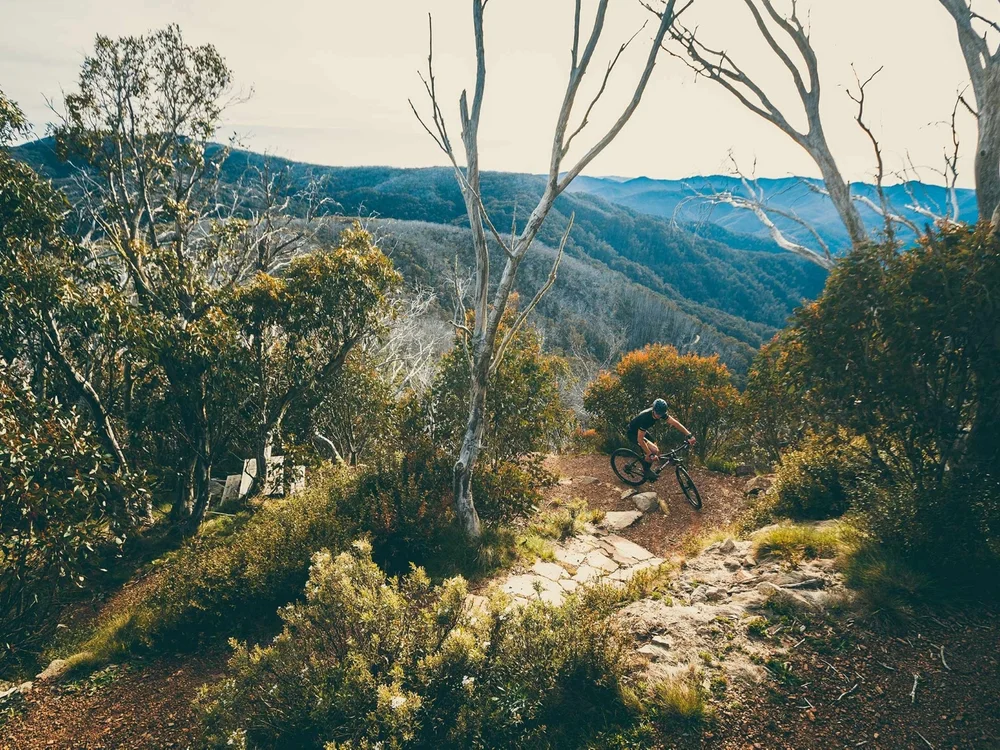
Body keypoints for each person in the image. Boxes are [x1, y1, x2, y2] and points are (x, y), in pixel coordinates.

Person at [626, 398, 696, 480]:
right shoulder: (646, 418)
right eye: (657, 413)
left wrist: (689, 434)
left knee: (656, 449)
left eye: (661, 414)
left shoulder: (660, 413)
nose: (659, 416)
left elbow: (675, 423)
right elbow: (640, 439)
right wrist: (650, 454)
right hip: (633, 433)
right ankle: (646, 471)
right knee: (653, 451)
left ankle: (646, 462)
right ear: (653, 409)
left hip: (641, 431)